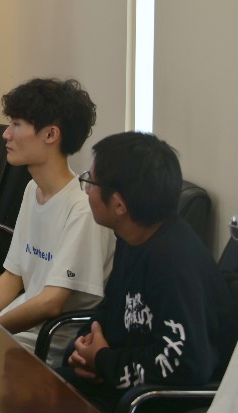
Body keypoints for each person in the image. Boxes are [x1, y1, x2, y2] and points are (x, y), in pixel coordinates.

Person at [61, 132, 236, 411]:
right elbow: (112, 312)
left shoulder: (173, 263)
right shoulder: (131, 237)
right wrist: (81, 350)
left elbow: (186, 364)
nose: (86, 191)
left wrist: (103, 361)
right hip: (122, 385)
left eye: (91, 182)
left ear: (119, 205)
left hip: (158, 400)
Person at [0, 78, 114, 364]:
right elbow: (12, 276)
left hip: (48, 346)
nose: (6, 134)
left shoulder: (82, 208)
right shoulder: (33, 190)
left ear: (51, 134)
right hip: (15, 330)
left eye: (17, 124)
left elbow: (52, 303)